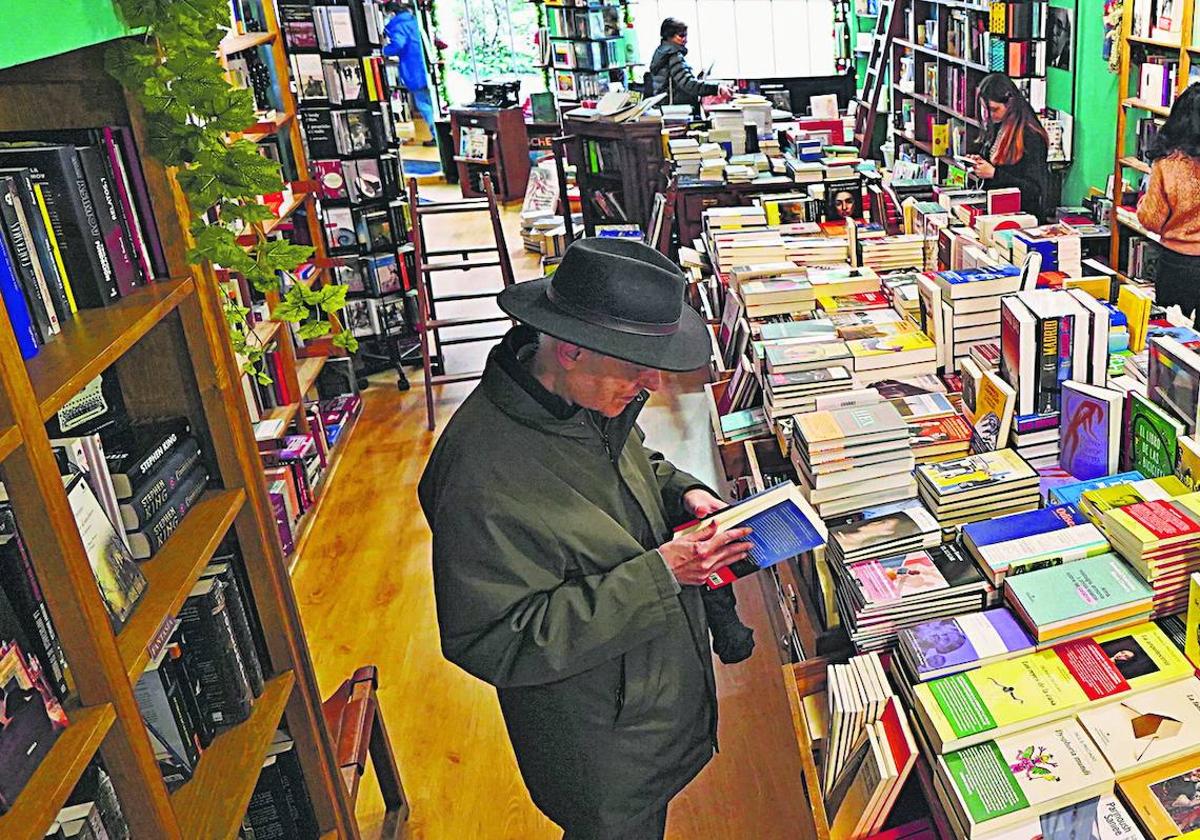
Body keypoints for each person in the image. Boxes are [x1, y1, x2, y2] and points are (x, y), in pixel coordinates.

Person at [419, 237, 757, 839]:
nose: (651, 381)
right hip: (596, 737)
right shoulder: (480, 475)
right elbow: (494, 639)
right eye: (635, 365)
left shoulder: (576, 402)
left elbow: (630, 465)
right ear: (571, 350)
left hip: (641, 704)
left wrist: (681, 492)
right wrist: (663, 573)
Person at [1137, 84, 1200, 319]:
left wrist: (1143, 202)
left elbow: (1151, 220)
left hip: (1177, 264)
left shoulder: (1168, 164)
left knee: (1171, 339)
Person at [963, 73, 1051, 221]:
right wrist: (980, 162)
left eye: (993, 109)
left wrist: (994, 174)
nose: (987, 116)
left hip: (1020, 217)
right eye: (985, 109)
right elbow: (995, 160)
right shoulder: (998, 125)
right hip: (997, 211)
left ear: (1010, 104)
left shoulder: (1031, 137)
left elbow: (1035, 190)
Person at [382, 1, 437, 147]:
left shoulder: (397, 26)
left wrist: (384, 51)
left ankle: (435, 135)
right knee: (433, 103)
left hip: (413, 70)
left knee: (424, 105)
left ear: (391, 13)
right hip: (425, 67)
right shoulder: (414, 21)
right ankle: (442, 133)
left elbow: (398, 44)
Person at [647, 17, 733, 109]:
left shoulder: (661, 53)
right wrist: (717, 88)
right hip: (677, 110)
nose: (685, 40)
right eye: (681, 35)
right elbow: (689, 84)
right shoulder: (673, 55)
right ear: (670, 36)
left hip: (665, 108)